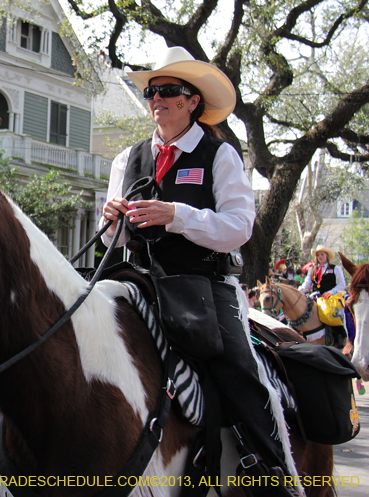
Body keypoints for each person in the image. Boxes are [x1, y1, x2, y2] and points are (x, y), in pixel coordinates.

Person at [99, 47, 298, 495]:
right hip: (136, 281)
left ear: (193, 102)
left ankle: (271, 469)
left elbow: (238, 229)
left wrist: (176, 214)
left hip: (205, 286)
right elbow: (117, 238)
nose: (157, 99)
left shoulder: (220, 154)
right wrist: (111, 220)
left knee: (236, 367)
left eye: (169, 91)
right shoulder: (125, 160)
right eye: (153, 91)